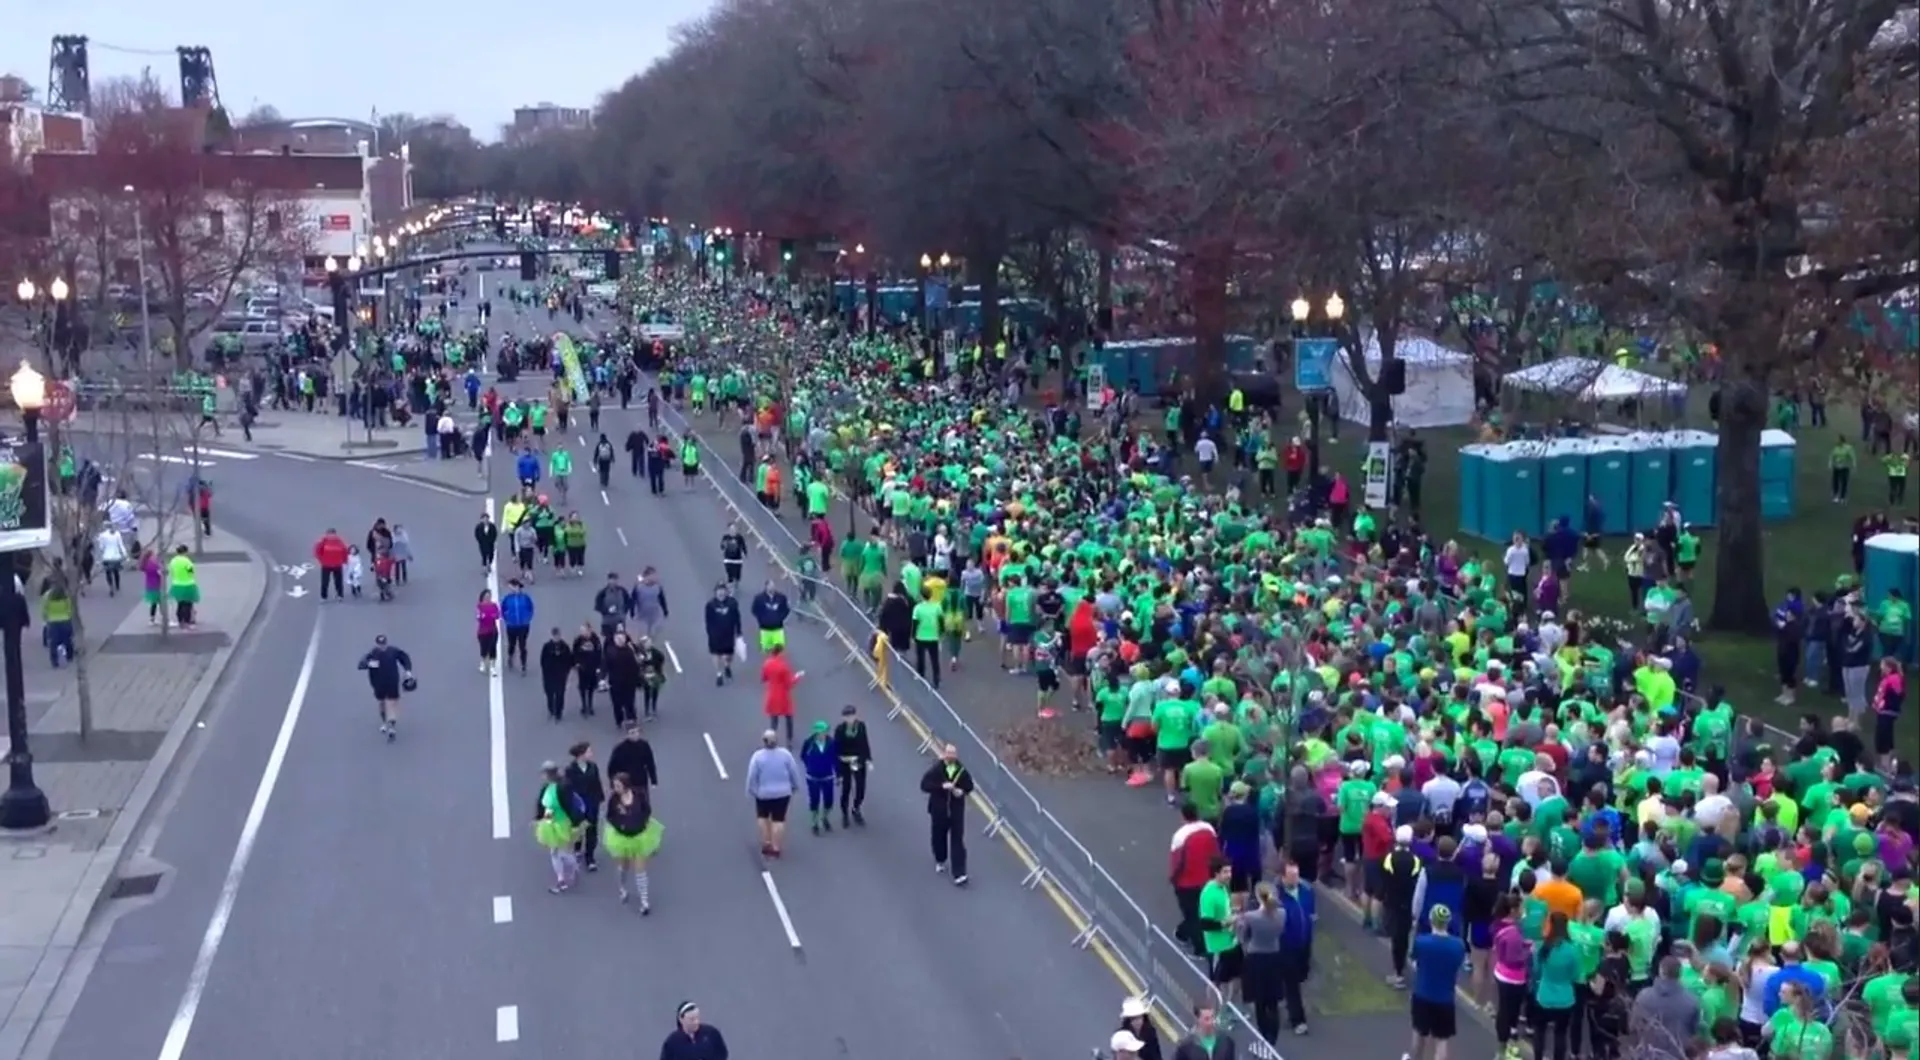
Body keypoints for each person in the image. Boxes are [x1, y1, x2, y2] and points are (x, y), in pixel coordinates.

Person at [1405, 905, 1466, 1060]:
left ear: (1431, 920)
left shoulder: (1421, 942)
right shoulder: (1458, 946)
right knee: (1442, 1041)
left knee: (1419, 1034)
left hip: (1422, 995)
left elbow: (1414, 963)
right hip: (1445, 999)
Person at [919, 743, 975, 885]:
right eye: (948, 753)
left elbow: (969, 786)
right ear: (944, 754)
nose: (951, 756)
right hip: (939, 811)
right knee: (939, 837)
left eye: (953, 754)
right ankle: (940, 858)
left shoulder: (961, 770)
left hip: (956, 811)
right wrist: (941, 787)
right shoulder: (936, 770)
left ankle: (960, 872)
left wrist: (961, 791)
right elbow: (924, 785)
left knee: (958, 841)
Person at [744, 730, 802, 858]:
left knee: (763, 817)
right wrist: (795, 786)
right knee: (778, 820)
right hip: (783, 793)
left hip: (763, 793)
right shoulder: (785, 755)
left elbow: (752, 775)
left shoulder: (758, 756)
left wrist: (751, 790)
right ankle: (776, 847)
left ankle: (766, 843)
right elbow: (793, 771)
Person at [534, 762, 581, 893]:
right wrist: (539, 818)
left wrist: (575, 824)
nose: (542, 777)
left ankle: (573, 868)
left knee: (561, 852)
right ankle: (561, 879)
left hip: (561, 823)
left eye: (543, 774)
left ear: (549, 774)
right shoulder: (546, 787)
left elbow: (569, 807)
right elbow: (542, 805)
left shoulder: (563, 787)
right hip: (549, 823)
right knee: (555, 852)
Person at [356, 634, 413, 740]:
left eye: (383, 644)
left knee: (392, 702)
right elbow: (360, 665)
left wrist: (408, 671)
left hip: (392, 681)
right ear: (377, 644)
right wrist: (368, 664)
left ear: (386, 643)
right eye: (380, 644)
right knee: (382, 703)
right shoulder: (373, 654)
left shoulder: (393, 651)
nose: (382, 646)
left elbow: (404, 658)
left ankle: (391, 727)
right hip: (378, 683)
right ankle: (384, 722)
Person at [565, 741, 605, 873]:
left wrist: (600, 798)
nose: (591, 753)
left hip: (592, 802)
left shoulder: (593, 767)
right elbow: (568, 788)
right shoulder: (570, 770)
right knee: (578, 829)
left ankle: (590, 857)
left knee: (592, 830)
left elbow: (597, 783)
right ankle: (577, 848)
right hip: (578, 804)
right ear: (581, 755)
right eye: (588, 751)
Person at [831, 703, 872, 827]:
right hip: (845, 761)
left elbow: (865, 743)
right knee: (846, 788)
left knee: (860, 788)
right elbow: (836, 749)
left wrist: (868, 759)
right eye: (847, 716)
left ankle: (856, 808)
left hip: (858, 760)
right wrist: (838, 772)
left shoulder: (861, 727)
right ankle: (845, 814)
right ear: (843, 718)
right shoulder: (839, 729)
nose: (849, 718)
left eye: (851, 715)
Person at [799, 720, 839, 834]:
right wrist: (810, 765)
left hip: (827, 776)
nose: (823, 734)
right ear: (816, 732)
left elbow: (835, 759)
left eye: (825, 731)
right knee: (814, 800)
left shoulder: (832, 743)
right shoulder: (809, 742)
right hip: (813, 778)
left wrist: (838, 774)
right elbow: (803, 756)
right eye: (820, 732)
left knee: (829, 801)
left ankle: (825, 817)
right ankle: (814, 822)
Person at [759, 643, 802, 743]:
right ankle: (789, 739)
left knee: (774, 720)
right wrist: (798, 676)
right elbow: (789, 683)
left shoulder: (767, 664)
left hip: (772, 696)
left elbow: (763, 678)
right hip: (783, 697)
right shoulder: (784, 666)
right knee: (789, 718)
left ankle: (771, 739)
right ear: (781, 652)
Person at [657, 1001, 727, 1060]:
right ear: (681, 1019)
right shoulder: (672, 1042)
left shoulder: (711, 1034)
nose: (696, 1022)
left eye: (697, 1017)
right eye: (692, 1019)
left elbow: (722, 1054)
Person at [704, 583, 743, 687]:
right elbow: (708, 620)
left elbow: (737, 618)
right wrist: (710, 633)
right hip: (715, 635)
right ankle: (719, 674)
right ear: (715, 592)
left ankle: (727, 666)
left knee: (729, 655)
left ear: (726, 591)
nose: (721, 592)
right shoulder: (710, 605)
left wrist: (739, 632)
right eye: (719, 590)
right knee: (716, 654)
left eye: (723, 590)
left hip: (729, 634)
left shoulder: (732, 603)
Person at [538, 628, 573, 722]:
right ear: (552, 636)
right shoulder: (547, 647)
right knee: (549, 693)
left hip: (561, 675)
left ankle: (559, 712)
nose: (557, 637)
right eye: (555, 636)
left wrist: (566, 671)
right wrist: (546, 671)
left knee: (560, 694)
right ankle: (551, 709)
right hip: (549, 675)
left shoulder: (565, 647)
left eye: (558, 636)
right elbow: (543, 661)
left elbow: (569, 660)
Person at [501, 579, 534, 673]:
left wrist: (527, 618)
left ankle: (523, 665)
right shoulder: (507, 598)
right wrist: (507, 619)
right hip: (511, 626)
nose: (510, 589)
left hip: (523, 626)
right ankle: (510, 656)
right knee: (512, 644)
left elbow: (531, 608)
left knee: (522, 645)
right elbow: (503, 610)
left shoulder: (525, 598)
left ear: (517, 587)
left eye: (511, 586)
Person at [166, 546, 198, 628]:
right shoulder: (187, 561)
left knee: (180, 603)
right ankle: (187, 621)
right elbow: (191, 572)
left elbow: (171, 570)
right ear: (185, 552)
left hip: (177, 584)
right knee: (188, 604)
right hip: (188, 584)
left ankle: (180, 620)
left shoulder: (173, 561)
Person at [314, 527, 349, 601]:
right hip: (334, 564)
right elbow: (345, 551)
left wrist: (321, 560)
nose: (331, 536)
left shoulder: (327, 540)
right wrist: (345, 561)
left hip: (330, 564)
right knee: (335, 581)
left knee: (327, 581)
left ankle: (325, 596)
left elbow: (317, 551)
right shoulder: (336, 540)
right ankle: (338, 595)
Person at [475, 589, 501, 676]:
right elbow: (478, 617)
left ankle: (492, 667)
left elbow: (497, 615)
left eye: (489, 596)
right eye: (486, 596)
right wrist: (484, 616)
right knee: (484, 648)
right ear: (483, 597)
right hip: (483, 631)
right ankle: (483, 662)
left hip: (493, 630)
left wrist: (491, 616)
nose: (488, 598)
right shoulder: (479, 606)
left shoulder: (494, 606)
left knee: (493, 647)